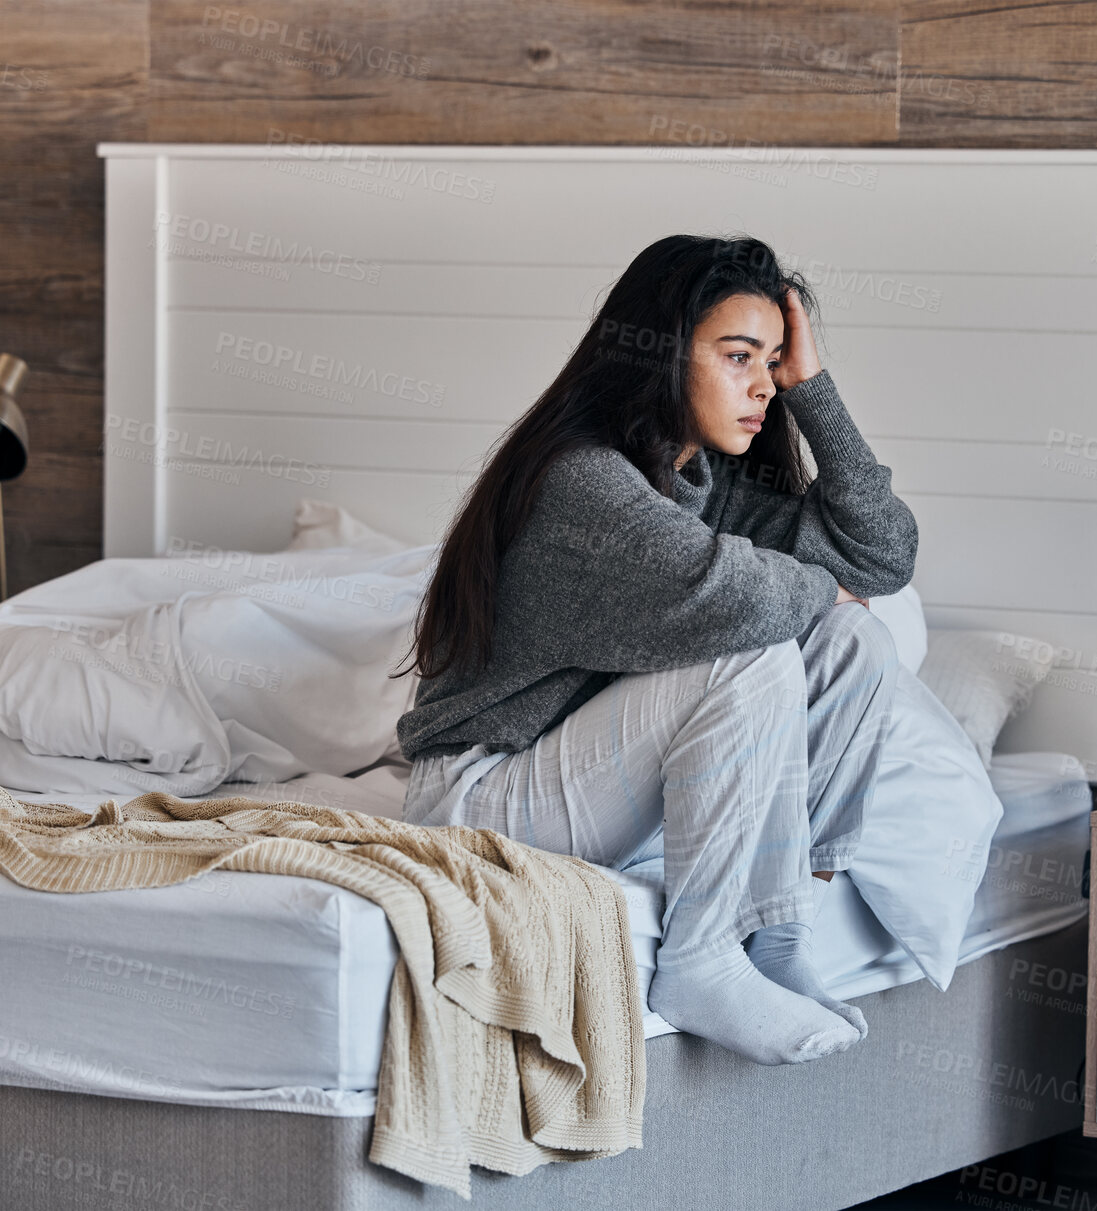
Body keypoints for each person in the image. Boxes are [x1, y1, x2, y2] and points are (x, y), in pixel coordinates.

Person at [391, 234, 918, 1065]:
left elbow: (881, 557)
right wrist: (819, 586)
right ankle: (701, 956)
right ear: (663, 356)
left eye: (772, 363)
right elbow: (731, 596)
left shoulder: (714, 479)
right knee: (751, 650)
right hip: (479, 794)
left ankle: (778, 937)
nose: (761, 385)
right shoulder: (581, 481)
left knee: (857, 641)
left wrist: (813, 391)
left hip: (582, 787)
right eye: (738, 356)